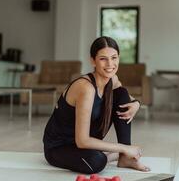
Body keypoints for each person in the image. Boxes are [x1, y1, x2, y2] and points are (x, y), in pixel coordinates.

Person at [43, 36, 150, 174]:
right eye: (103, 58)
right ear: (93, 60)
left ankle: (125, 159)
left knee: (121, 93)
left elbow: (125, 98)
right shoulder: (85, 88)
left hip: (83, 142)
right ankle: (118, 154)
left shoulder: (113, 79)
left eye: (114, 57)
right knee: (96, 162)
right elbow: (82, 141)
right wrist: (123, 148)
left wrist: (136, 103)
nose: (110, 64)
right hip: (60, 146)